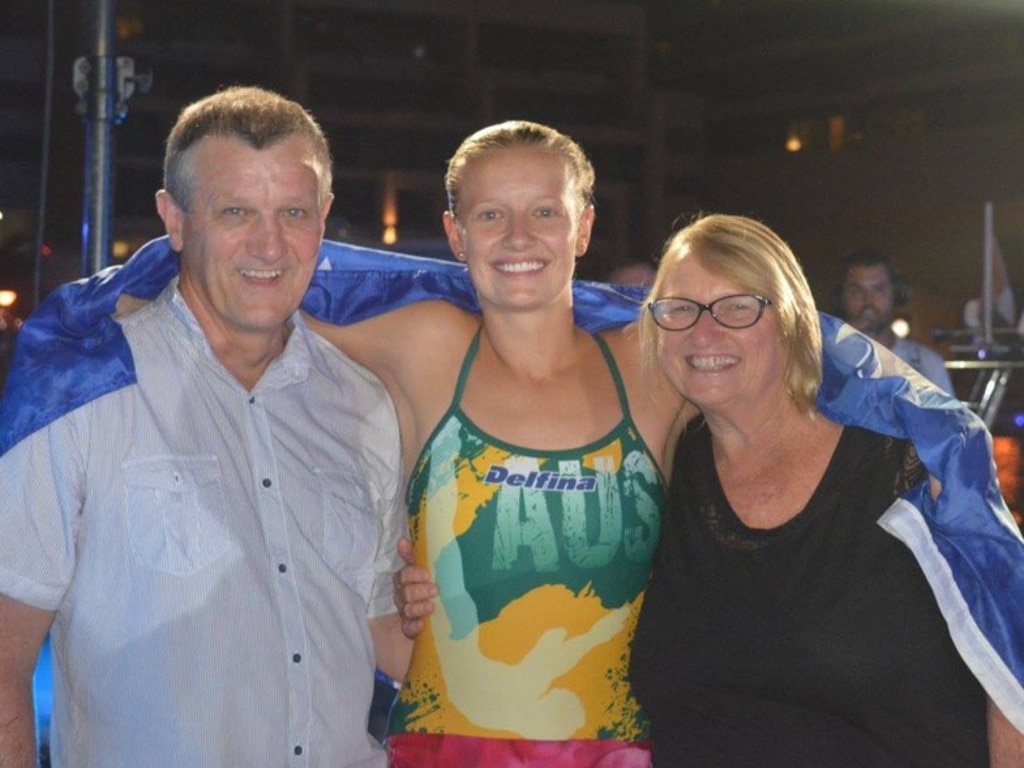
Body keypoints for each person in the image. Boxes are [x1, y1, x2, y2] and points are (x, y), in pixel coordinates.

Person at [0, 86, 409, 768]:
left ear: (324, 217)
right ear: (176, 220)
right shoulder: (80, 395)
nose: (269, 244)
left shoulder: (364, 402)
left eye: (293, 213)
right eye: (236, 212)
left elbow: (388, 639)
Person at [304, 120, 690, 767]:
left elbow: (786, 386)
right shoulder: (428, 347)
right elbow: (256, 319)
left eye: (545, 211)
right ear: (456, 234)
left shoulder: (652, 367)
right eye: (491, 215)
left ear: (584, 226)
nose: (518, 237)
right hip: (445, 747)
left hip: (618, 751)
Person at [629, 213, 1024, 767]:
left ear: (791, 320)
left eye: (738, 306)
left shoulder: (907, 464)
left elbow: (1010, 667)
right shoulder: (671, 463)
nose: (703, 332)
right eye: (680, 308)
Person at [837, 247, 954, 392]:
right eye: (857, 291)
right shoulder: (821, 363)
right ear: (841, 297)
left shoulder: (927, 365)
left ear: (896, 294)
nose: (868, 301)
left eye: (878, 290)